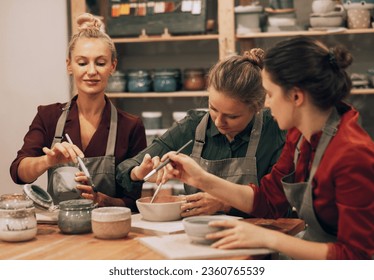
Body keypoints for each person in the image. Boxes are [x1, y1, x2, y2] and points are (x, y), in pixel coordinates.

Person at [161, 36, 374, 260]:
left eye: (270, 94)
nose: (266, 104)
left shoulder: (352, 154)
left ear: (296, 96)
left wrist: (268, 238)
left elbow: (358, 257)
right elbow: (269, 200)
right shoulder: (300, 136)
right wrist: (200, 178)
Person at [116, 49, 286, 218]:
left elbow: (280, 204)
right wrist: (139, 172)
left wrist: (225, 203)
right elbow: (123, 170)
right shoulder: (192, 127)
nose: (219, 122)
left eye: (232, 116)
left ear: (258, 107)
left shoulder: (275, 129)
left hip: (257, 234)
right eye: (213, 108)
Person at [10, 13, 147, 210]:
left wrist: (99, 199)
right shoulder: (48, 117)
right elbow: (18, 172)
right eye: (82, 62)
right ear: (69, 65)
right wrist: (48, 160)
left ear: (112, 66)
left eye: (100, 63)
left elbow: (133, 201)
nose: (91, 71)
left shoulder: (130, 126)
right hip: (60, 230)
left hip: (111, 232)